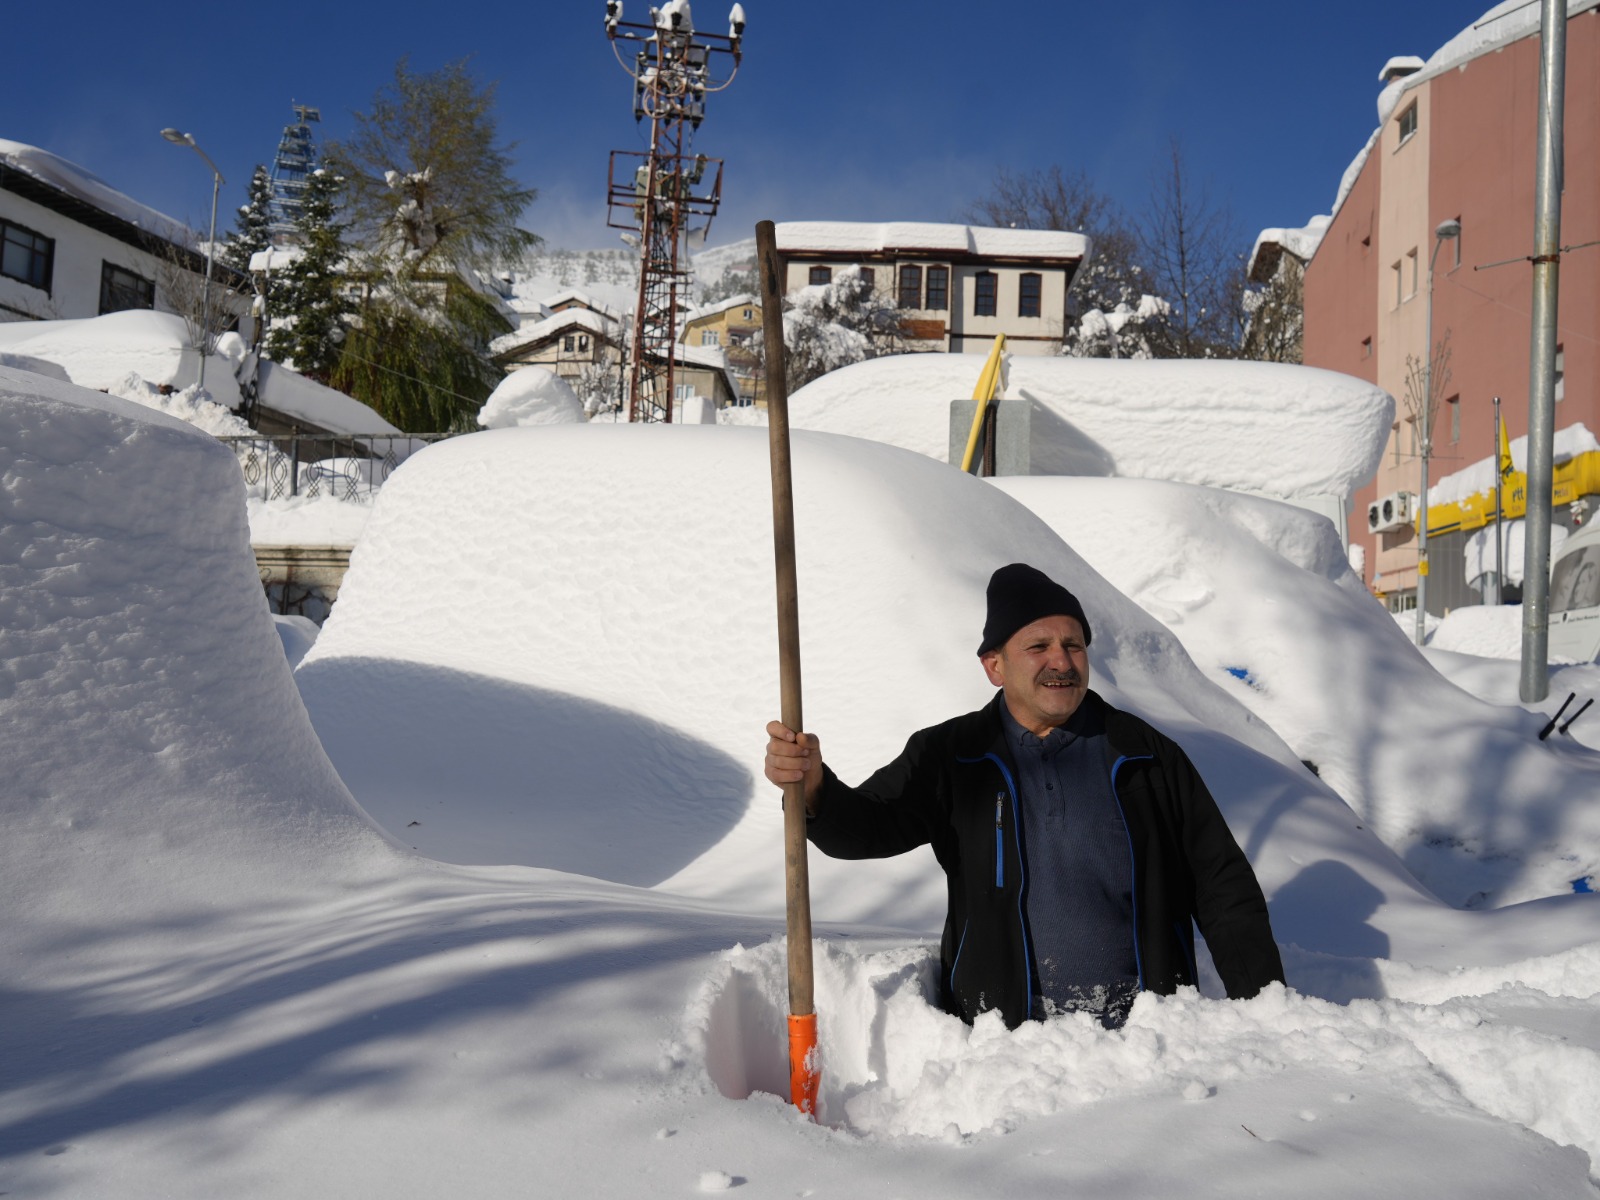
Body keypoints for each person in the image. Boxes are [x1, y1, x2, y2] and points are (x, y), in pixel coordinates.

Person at [764, 562, 1284, 1030]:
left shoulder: (1143, 756)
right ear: (994, 666)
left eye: (1073, 645)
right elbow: (867, 828)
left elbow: (1222, 885)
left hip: (1145, 1039)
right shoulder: (953, 755)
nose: (1061, 661)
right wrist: (814, 790)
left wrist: (1265, 1008)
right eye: (1038, 647)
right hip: (1004, 1044)